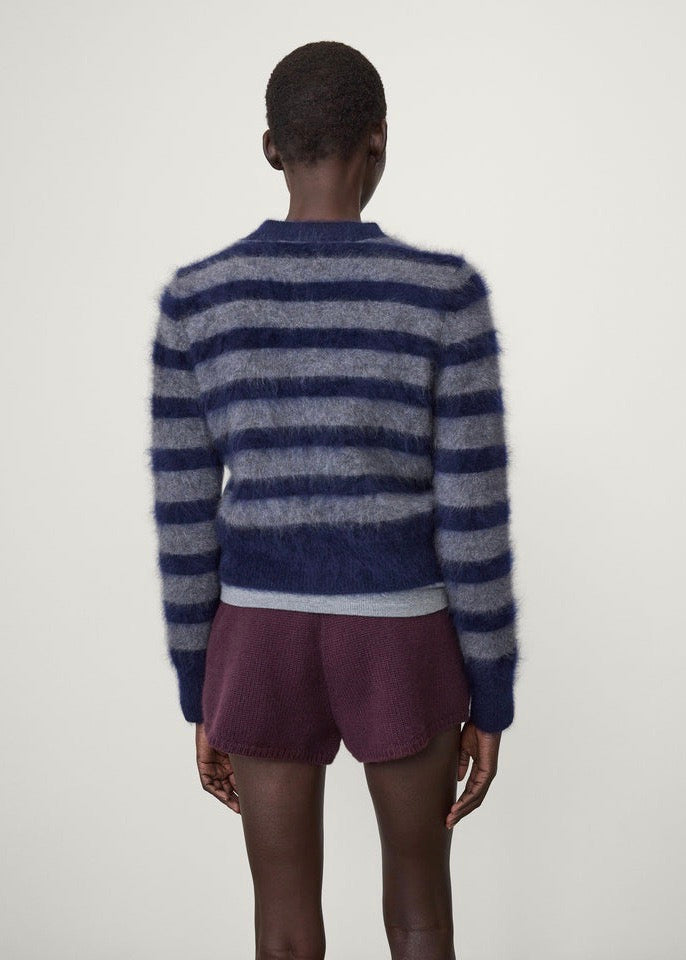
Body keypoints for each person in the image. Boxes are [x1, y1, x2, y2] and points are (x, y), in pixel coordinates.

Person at [148, 39, 520, 960]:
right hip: (399, 636)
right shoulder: (445, 296)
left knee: (281, 926)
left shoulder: (198, 301)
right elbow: (473, 520)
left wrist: (202, 690)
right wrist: (491, 695)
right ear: (378, 140)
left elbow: (185, 524)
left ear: (271, 147)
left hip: (257, 636)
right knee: (422, 916)